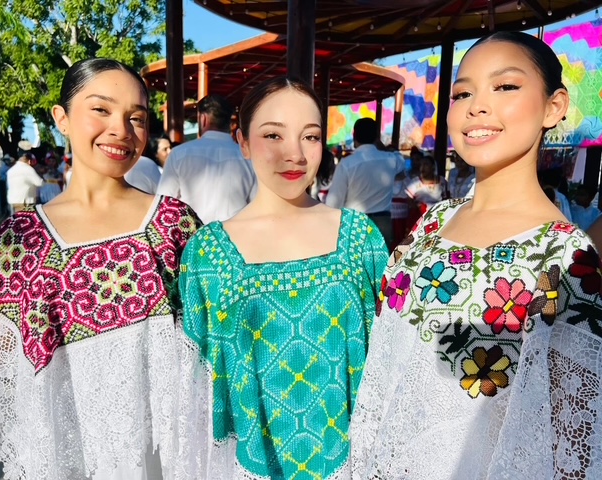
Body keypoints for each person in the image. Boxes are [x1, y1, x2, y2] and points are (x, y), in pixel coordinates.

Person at [350, 31, 602, 479]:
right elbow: (386, 372)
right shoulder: (432, 222)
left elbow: (572, 441)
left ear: (554, 106)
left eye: (505, 86)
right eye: (462, 93)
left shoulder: (568, 257)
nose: (476, 106)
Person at [0, 58, 200, 479]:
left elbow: (210, 345)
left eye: (137, 118)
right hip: (65, 459)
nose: (121, 130)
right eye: (101, 109)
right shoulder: (20, 241)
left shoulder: (174, 224)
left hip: (165, 459)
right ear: (62, 118)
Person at [175, 77, 389, 479]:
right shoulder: (206, 254)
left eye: (310, 136)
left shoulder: (360, 238)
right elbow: (200, 390)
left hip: (352, 462)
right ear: (242, 141)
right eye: (273, 135)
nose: (295, 154)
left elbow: (386, 361)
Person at [156, 94, 257, 224]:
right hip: (235, 233)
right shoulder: (248, 156)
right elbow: (257, 203)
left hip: (193, 233)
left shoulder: (179, 154)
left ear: (203, 119)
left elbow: (164, 203)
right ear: (229, 122)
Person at [325, 117, 405, 247]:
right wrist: (381, 146)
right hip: (382, 223)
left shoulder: (347, 164)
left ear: (354, 135)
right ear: (377, 137)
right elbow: (400, 159)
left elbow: (333, 202)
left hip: (355, 223)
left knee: (355, 260)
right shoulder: (391, 159)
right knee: (381, 260)